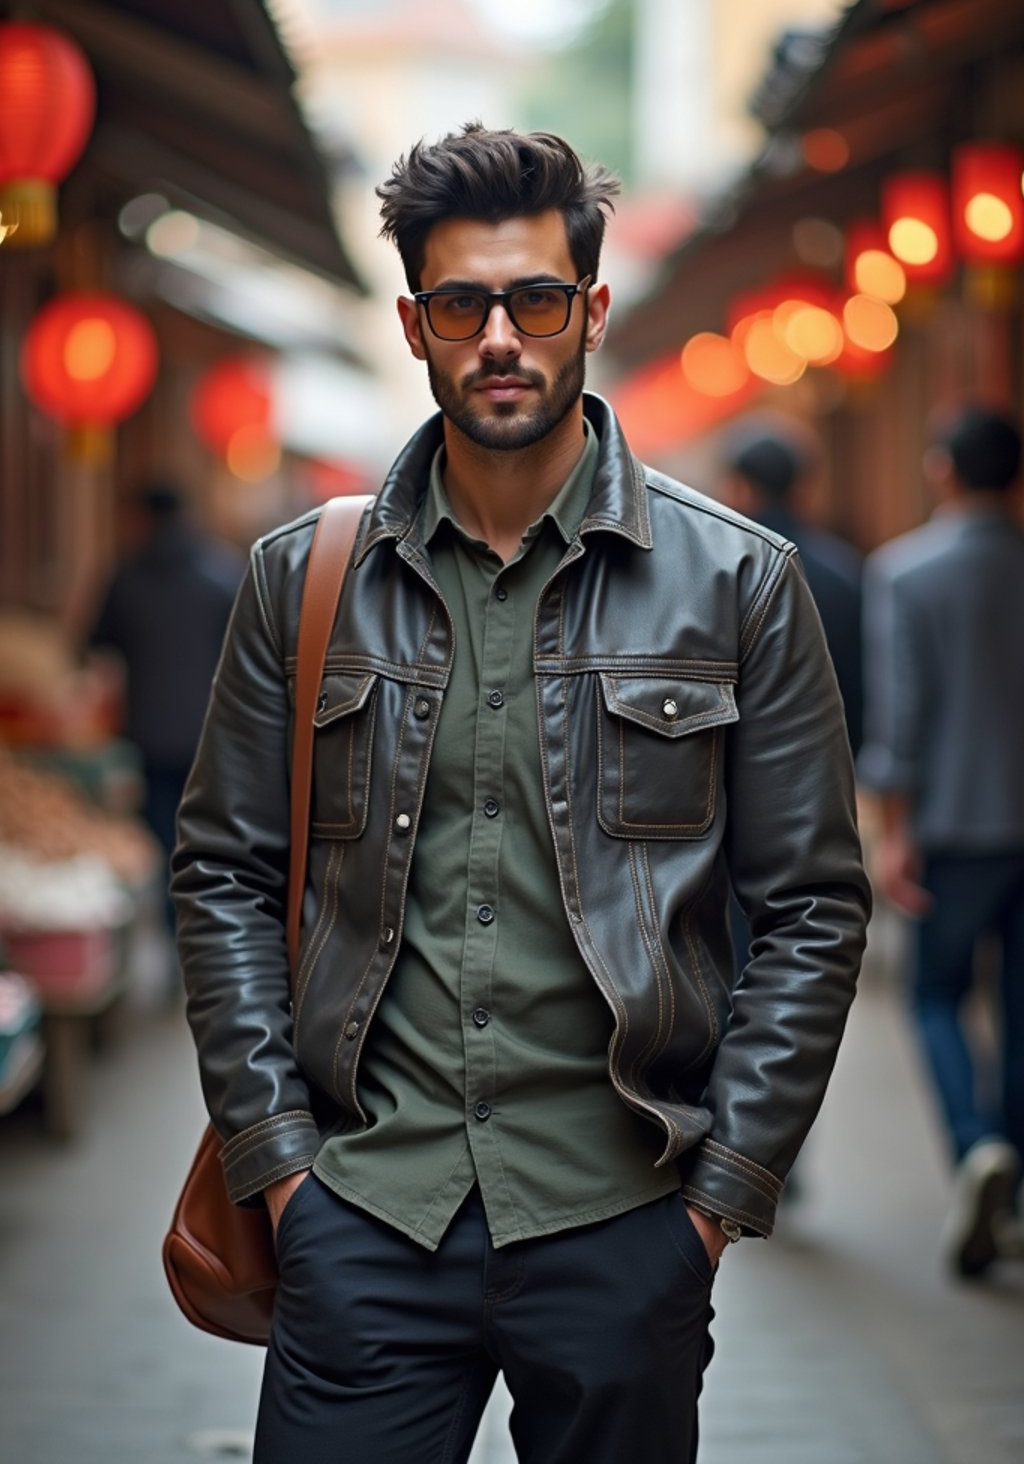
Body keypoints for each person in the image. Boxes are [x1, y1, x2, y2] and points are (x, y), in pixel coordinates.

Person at [172, 124, 869, 1464]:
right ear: (414, 323)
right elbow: (221, 874)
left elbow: (814, 908)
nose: (500, 336)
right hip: (364, 1215)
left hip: (623, 1225)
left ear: (591, 310)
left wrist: (716, 1203)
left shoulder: (739, 584)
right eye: (461, 304)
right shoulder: (301, 580)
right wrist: (280, 1169)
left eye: (535, 300)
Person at [860, 406, 1024, 1279]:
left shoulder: (907, 572)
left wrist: (896, 831)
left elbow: (902, 713)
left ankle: (976, 1146)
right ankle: (1016, 1180)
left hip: (955, 826)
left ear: (942, 470)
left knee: (935, 996)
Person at [89, 484, 242, 954]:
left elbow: (95, 646)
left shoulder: (126, 578)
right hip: (209, 733)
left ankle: (173, 927)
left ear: (143, 517)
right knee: (205, 837)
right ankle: (202, 930)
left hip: (149, 735)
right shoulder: (222, 575)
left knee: (160, 837)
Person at [720, 417, 863, 754]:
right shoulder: (842, 571)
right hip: (825, 757)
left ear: (741, 487)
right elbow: (859, 691)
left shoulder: (717, 572)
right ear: (802, 488)